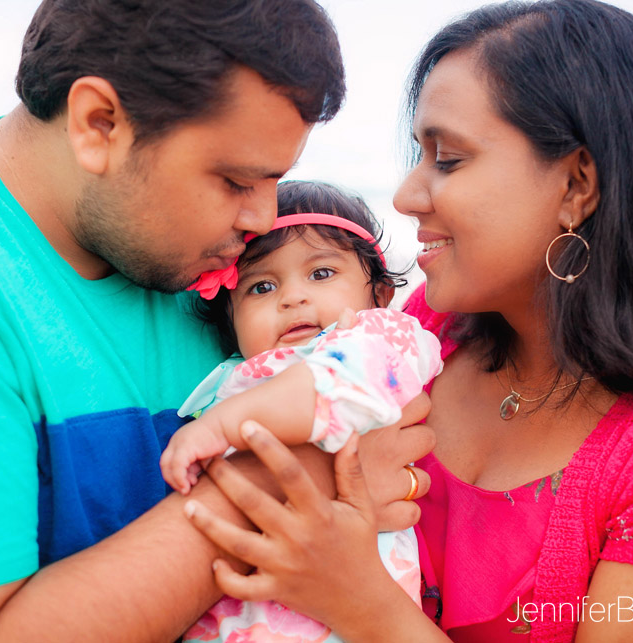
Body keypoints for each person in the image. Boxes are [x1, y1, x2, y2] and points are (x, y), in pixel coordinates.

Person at [0, 2, 437, 641]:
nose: (264, 220)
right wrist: (291, 477)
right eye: (235, 180)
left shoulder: (201, 258)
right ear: (98, 124)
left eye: (276, 179)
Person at [182, 1, 633, 641]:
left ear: (576, 186)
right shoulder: (426, 332)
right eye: (419, 155)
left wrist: (359, 602)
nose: (406, 196)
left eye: (447, 159)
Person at [158, 181, 441, 641]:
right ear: (230, 315)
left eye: (321, 273)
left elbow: (336, 386)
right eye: (262, 286)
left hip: (344, 616)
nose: (292, 297)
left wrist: (223, 425)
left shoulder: (381, 337)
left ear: (381, 293)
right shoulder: (228, 378)